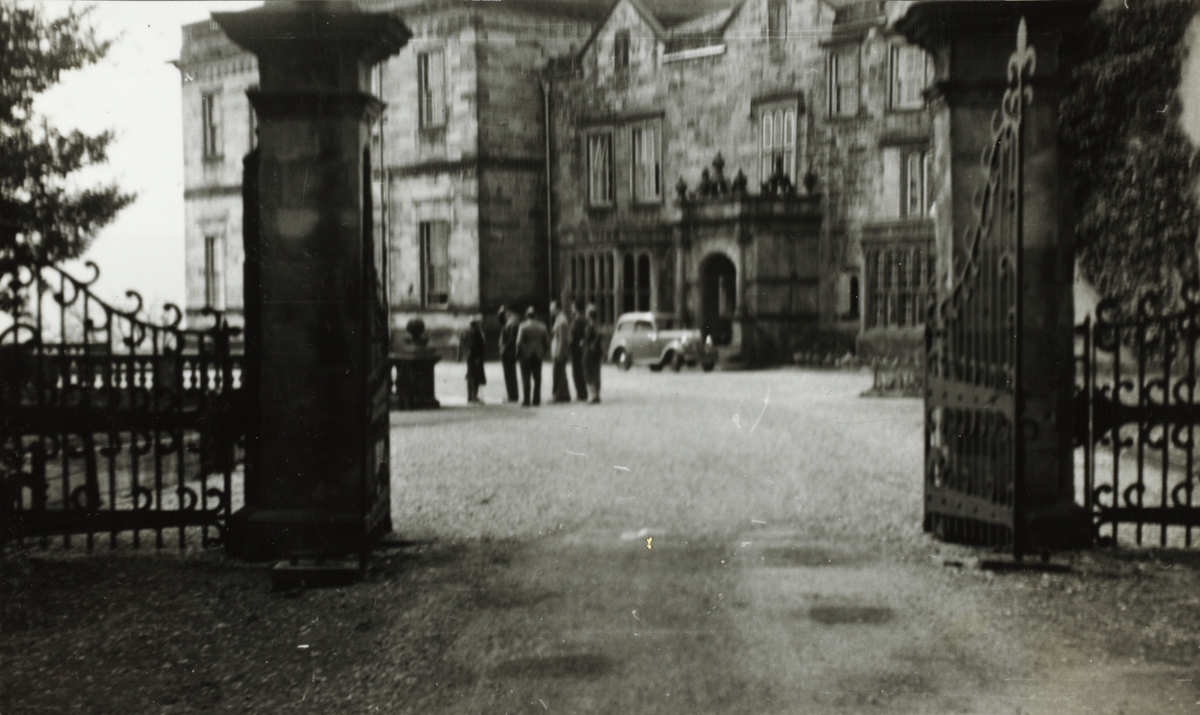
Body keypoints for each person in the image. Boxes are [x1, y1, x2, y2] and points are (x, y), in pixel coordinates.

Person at [515, 305, 551, 407]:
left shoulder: (523, 326)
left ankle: (526, 400)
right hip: (538, 355)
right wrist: (544, 352)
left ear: (527, 315)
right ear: (535, 315)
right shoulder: (542, 326)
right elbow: (547, 342)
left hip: (526, 355)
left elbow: (519, 342)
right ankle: (536, 399)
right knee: (537, 377)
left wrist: (518, 353)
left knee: (526, 377)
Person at [458, 315, 486, 404]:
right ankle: (474, 396)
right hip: (475, 356)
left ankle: (470, 396)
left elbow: (463, 342)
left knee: (470, 375)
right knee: (475, 376)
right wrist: (477, 357)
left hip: (469, 355)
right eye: (479, 322)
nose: (480, 324)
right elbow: (475, 345)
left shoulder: (468, 331)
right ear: (476, 324)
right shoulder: (476, 332)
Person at [549, 300, 572, 403]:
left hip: (559, 352)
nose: (550, 310)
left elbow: (563, 339)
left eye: (552, 308)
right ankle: (565, 394)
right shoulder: (559, 319)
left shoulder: (561, 321)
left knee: (557, 374)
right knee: (561, 374)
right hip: (558, 351)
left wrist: (559, 353)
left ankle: (558, 395)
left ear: (557, 308)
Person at [498, 305, 520, 403]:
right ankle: (512, 395)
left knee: (509, 375)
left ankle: (512, 396)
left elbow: (511, 340)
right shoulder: (510, 323)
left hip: (508, 353)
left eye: (504, 314)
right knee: (510, 375)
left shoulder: (512, 324)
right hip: (508, 353)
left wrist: (504, 348)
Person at [568, 297, 589, 402]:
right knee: (581, 370)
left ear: (576, 308)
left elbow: (573, 335)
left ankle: (581, 394)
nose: (571, 308)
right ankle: (583, 392)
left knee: (576, 372)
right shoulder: (585, 319)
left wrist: (568, 346)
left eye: (573, 306)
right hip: (582, 348)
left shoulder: (577, 319)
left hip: (576, 349)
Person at [583, 303, 603, 404]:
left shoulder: (589, 326)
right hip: (597, 352)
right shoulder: (597, 325)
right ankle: (597, 394)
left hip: (589, 352)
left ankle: (592, 395)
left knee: (588, 373)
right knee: (596, 372)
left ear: (589, 315)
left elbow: (588, 339)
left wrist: (589, 344)